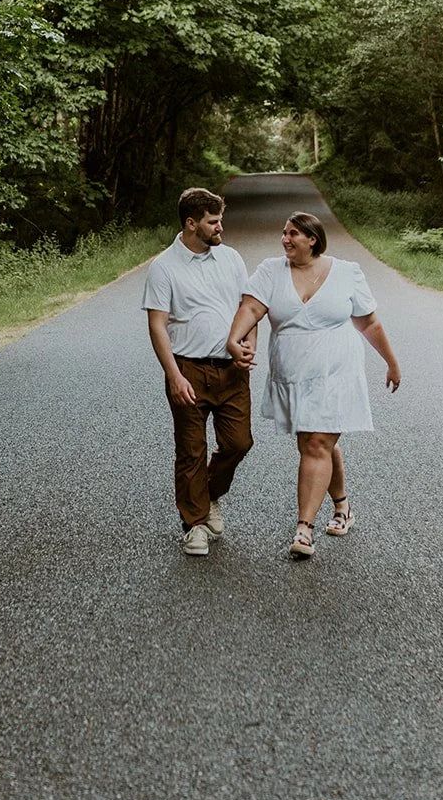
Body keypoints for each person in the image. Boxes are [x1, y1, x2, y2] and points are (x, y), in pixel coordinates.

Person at [227, 210, 400, 559]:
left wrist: (391, 362)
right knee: (315, 443)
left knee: (317, 443)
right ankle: (343, 506)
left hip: (337, 371)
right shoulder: (271, 271)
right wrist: (234, 338)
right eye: (284, 233)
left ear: (312, 240)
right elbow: (251, 308)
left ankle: (303, 529)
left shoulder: (347, 272)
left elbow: (369, 323)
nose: (285, 239)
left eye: (293, 234)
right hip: (293, 373)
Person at [142, 187, 254, 556]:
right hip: (188, 369)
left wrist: (249, 344)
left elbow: (248, 308)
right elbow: (157, 325)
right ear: (191, 224)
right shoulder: (163, 267)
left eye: (220, 220)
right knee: (191, 450)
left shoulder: (231, 258)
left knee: (239, 443)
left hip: (232, 370)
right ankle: (194, 525)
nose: (220, 227)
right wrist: (174, 375)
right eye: (213, 221)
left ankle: (208, 494)